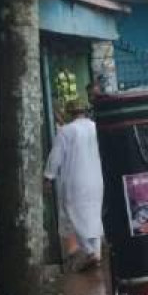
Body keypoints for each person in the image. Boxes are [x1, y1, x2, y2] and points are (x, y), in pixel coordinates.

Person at [45, 99, 105, 271]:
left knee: (74, 216)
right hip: (96, 179)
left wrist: (48, 177)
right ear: (85, 111)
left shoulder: (66, 131)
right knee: (93, 216)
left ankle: (89, 252)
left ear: (69, 113)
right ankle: (96, 253)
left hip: (75, 181)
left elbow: (55, 156)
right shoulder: (95, 128)